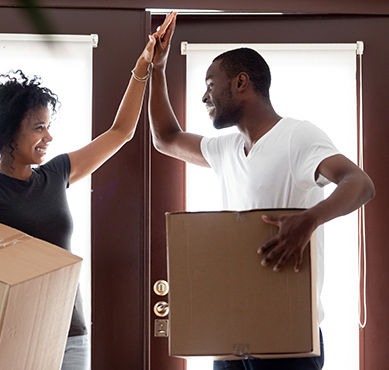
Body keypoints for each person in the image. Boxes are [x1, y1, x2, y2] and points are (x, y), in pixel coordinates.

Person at [0, 13, 176, 370]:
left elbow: (121, 132)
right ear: (9, 132)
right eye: (39, 128)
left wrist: (144, 65)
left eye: (49, 127)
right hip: (9, 333)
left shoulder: (56, 173)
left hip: (71, 336)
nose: (49, 137)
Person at [149, 16, 375, 370]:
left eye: (211, 84)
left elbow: (359, 183)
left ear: (241, 82)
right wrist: (157, 68)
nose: (204, 96)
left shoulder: (297, 136)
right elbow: (165, 138)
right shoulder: (226, 150)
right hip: (231, 332)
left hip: (288, 333)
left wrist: (309, 220)